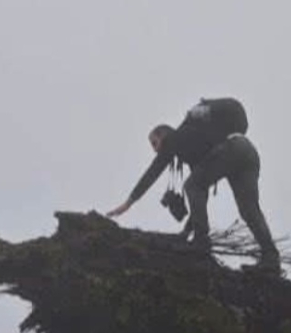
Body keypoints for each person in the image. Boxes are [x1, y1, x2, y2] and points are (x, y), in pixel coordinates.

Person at [106, 98, 281, 273]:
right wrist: (186, 231)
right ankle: (271, 258)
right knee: (249, 210)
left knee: (192, 186)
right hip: (247, 152)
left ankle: (202, 243)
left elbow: (154, 170)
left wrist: (129, 202)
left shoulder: (174, 138)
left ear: (163, 135)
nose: (155, 150)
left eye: (154, 143)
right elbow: (200, 194)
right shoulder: (194, 145)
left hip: (231, 149)